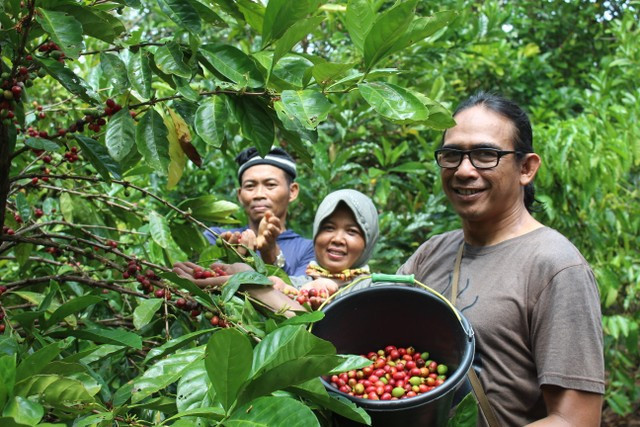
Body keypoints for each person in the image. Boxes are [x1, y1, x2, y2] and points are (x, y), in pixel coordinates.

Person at [397, 92, 604, 426]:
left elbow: (575, 419)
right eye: (452, 155)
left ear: (526, 168)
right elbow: (372, 335)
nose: (464, 170)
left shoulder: (556, 266)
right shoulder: (431, 253)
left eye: (485, 155)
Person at [204, 147, 314, 276]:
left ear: (293, 191)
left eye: (270, 185)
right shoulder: (216, 237)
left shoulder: (309, 249)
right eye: (250, 186)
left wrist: (271, 252)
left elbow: (298, 293)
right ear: (240, 195)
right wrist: (228, 258)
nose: (259, 194)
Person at [277, 189, 380, 306]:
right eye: (329, 228)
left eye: (351, 231)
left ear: (368, 241)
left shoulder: (379, 293)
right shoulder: (290, 288)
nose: (337, 239)